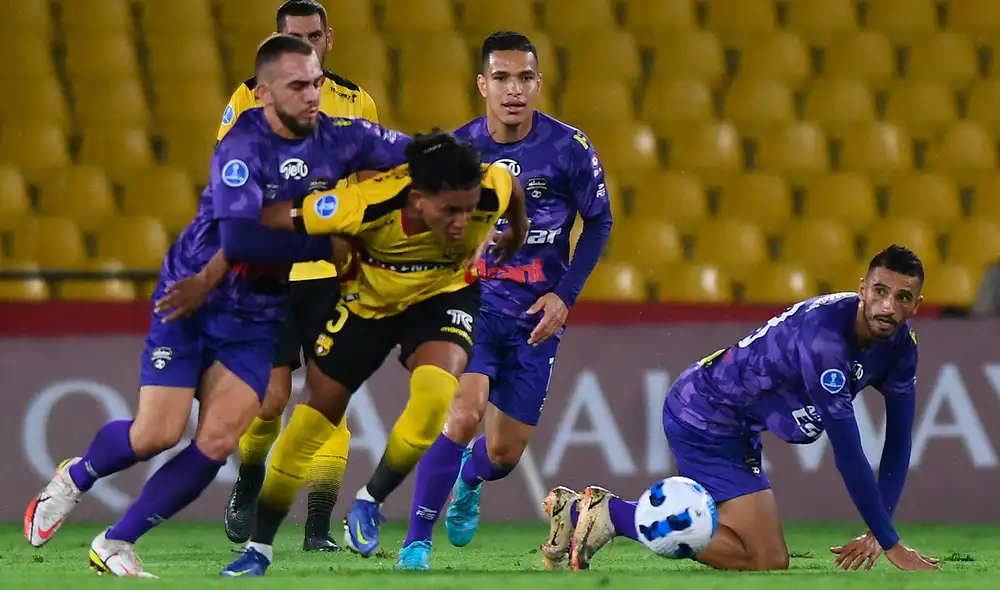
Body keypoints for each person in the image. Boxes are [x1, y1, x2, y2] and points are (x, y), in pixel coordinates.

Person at [22, 35, 409, 578]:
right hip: (195, 295)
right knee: (154, 434)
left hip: (258, 311)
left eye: (317, 83)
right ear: (266, 93)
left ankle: (116, 542)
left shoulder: (343, 138)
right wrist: (330, 243)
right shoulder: (242, 147)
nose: (312, 95)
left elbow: (417, 153)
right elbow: (244, 241)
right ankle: (76, 476)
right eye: (298, 85)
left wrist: (475, 165)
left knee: (219, 439)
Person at [219, 130, 529, 576]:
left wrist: (516, 233)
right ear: (418, 199)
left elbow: (510, 186)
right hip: (367, 306)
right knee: (311, 420)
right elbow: (274, 217)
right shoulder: (363, 204)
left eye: (469, 208)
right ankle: (258, 549)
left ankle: (369, 501)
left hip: (441, 298)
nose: (463, 222)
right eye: (450, 211)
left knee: (434, 399)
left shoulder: (487, 188)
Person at [542, 246, 941, 573]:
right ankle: (609, 514)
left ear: (917, 304)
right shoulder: (826, 341)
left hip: (737, 422)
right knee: (765, 559)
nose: (888, 306)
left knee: (763, 556)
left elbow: (899, 440)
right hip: (704, 414)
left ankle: (595, 514)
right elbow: (849, 453)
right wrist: (890, 541)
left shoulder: (902, 350)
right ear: (862, 289)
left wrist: (878, 529)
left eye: (902, 297)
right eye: (880, 291)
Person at [392, 31, 614, 570]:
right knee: (463, 413)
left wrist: (564, 296)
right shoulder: (459, 153)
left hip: (538, 315)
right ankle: (416, 542)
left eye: (524, 78)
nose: (513, 89)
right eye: (501, 78)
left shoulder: (569, 149)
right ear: (482, 84)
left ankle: (471, 478)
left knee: (503, 454)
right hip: (474, 306)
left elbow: (600, 221)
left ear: (538, 84)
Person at [213, 0, 382, 553]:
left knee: (330, 397)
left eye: (314, 37)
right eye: (294, 38)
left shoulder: (357, 103)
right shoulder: (246, 98)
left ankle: (316, 529)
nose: (306, 47)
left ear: (329, 38)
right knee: (269, 400)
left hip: (334, 271)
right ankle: (250, 478)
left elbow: (374, 185)